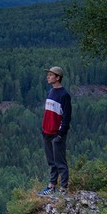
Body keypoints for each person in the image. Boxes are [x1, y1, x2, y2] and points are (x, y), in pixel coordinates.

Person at [38, 66, 71, 194]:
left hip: (57, 134)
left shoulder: (64, 95)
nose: (48, 77)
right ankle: (51, 186)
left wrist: (61, 134)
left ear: (58, 78)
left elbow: (66, 117)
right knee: (51, 162)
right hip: (47, 132)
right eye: (48, 74)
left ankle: (63, 189)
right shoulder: (50, 92)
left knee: (60, 162)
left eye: (51, 75)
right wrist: (44, 129)